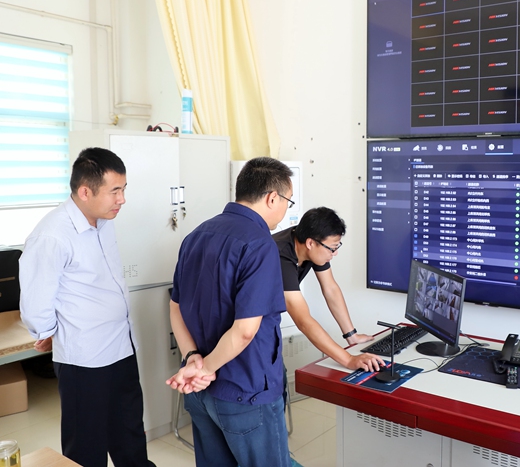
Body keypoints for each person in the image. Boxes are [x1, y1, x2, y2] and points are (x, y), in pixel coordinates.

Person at [19, 147, 156, 467]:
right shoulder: (52, 235)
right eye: (115, 191)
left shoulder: (104, 221)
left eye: (124, 189)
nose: (122, 199)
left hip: (121, 347)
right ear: (85, 192)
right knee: (86, 448)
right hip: (85, 359)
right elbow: (36, 302)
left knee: (130, 437)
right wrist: (50, 332)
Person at [167, 157, 294, 467]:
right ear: (272, 198)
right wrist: (206, 369)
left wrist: (193, 359)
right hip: (245, 392)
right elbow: (245, 331)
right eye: (288, 201)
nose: (286, 209)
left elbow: (175, 307)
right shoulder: (260, 244)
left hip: (200, 393)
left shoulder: (196, 235)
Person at [272, 208, 383, 372]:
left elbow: (330, 288)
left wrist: (351, 335)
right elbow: (303, 320)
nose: (335, 253)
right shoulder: (279, 255)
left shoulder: (311, 243)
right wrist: (348, 360)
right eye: (332, 248)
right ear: (310, 243)